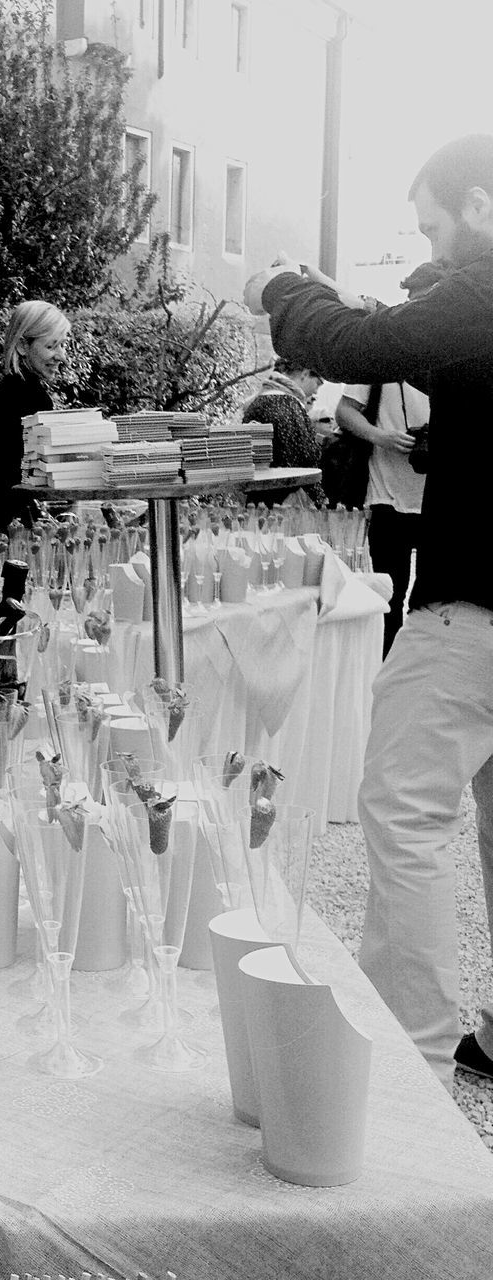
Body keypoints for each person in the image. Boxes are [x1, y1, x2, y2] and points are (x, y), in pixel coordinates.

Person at [244, 132, 493, 1092]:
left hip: (472, 607)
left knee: (403, 811)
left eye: (435, 221)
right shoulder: (471, 301)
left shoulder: (480, 297)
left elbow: (355, 343)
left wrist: (284, 290)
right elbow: (419, 313)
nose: (429, 241)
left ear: (478, 204)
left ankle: (409, 1068)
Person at [334, 262, 447, 655]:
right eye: (416, 302)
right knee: (388, 598)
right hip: (386, 497)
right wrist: (381, 436)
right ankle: (381, 671)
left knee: (432, 605)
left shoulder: (458, 347)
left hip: (439, 498)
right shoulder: (388, 345)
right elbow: (344, 410)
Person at [0, 299, 70, 529]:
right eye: (51, 346)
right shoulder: (27, 397)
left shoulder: (14, 390)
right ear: (23, 346)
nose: (61, 356)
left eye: (63, 345)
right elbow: (22, 476)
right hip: (9, 530)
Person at [240, 358, 327, 506]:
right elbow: (304, 459)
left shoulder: (258, 402)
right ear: (304, 374)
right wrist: (319, 499)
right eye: (318, 383)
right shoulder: (289, 406)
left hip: (256, 497)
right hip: (283, 502)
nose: (316, 390)